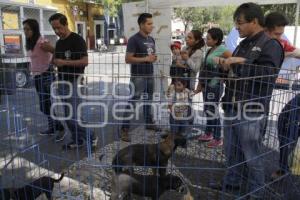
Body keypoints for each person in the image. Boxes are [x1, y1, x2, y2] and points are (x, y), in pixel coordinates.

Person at [213, 3, 284, 199]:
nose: (237, 27)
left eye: (240, 23)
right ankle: (232, 182)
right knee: (231, 152)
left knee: (253, 156)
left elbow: (268, 75)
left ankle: (256, 192)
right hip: (232, 106)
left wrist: (243, 62)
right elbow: (233, 72)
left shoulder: (270, 45)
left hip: (251, 110)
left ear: (254, 21)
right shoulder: (243, 44)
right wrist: (225, 67)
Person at [49, 13, 97, 150]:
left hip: (75, 81)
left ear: (65, 24)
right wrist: (54, 60)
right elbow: (55, 59)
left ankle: (91, 136)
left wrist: (63, 62)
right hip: (62, 81)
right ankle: (77, 139)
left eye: (58, 27)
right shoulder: (59, 42)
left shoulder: (77, 40)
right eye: (54, 29)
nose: (57, 31)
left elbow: (85, 61)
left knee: (73, 117)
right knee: (68, 115)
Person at [120, 13, 160, 142]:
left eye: (152, 23)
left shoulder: (151, 39)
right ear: (141, 24)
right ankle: (124, 130)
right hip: (138, 76)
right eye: (149, 24)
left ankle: (149, 122)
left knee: (148, 100)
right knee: (133, 101)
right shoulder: (134, 39)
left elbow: (150, 55)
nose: (151, 26)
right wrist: (146, 58)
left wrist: (153, 58)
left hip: (149, 74)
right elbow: (128, 59)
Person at [22, 19, 65, 140]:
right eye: (24, 29)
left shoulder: (42, 42)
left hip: (45, 75)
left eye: (28, 29)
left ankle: (60, 127)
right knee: (45, 104)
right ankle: (52, 127)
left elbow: (56, 51)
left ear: (34, 29)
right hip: (37, 76)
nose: (25, 31)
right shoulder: (31, 42)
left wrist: (51, 63)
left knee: (45, 105)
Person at [195, 28, 232, 148]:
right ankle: (209, 132)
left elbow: (231, 61)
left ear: (216, 40)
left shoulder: (223, 49)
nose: (206, 39)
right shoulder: (211, 49)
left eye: (209, 38)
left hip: (215, 85)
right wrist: (201, 85)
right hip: (207, 85)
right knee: (208, 109)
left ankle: (217, 137)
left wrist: (223, 75)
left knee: (212, 110)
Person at [271, 94, 300, 180]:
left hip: (293, 120)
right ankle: (283, 170)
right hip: (288, 121)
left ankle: (284, 168)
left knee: (288, 145)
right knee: (287, 146)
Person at [167, 78, 193, 147]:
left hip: (184, 117)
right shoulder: (173, 91)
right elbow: (169, 103)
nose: (176, 87)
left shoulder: (187, 91)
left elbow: (193, 93)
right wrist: (170, 110)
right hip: (174, 117)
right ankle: (173, 143)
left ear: (184, 86)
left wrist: (199, 89)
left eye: (179, 85)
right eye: (175, 85)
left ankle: (183, 143)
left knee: (183, 131)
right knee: (174, 131)